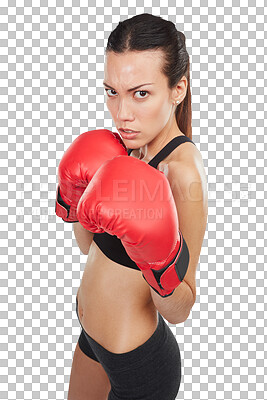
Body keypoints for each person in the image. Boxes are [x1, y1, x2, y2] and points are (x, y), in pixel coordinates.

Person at [56, 13, 208, 400]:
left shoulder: (182, 173)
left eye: (140, 93)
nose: (122, 113)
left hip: (140, 366)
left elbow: (180, 309)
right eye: (111, 91)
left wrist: (160, 263)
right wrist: (75, 201)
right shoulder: (125, 147)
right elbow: (90, 247)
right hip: (92, 339)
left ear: (178, 89)